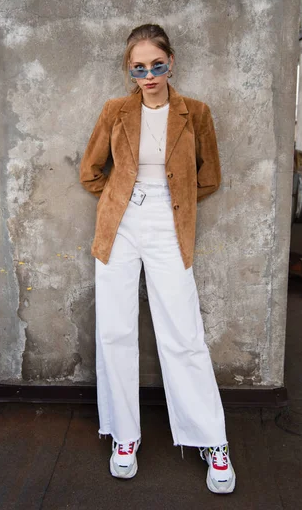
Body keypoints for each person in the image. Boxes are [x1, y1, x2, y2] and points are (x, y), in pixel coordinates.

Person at [79, 24, 236, 494]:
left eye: (157, 65)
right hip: (120, 226)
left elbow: (210, 176)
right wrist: (121, 199)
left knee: (183, 334)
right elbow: (91, 172)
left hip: (170, 225)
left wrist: (176, 202)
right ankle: (124, 437)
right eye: (139, 68)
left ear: (172, 63)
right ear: (129, 70)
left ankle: (212, 441)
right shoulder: (115, 111)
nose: (149, 75)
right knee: (115, 331)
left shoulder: (196, 113)